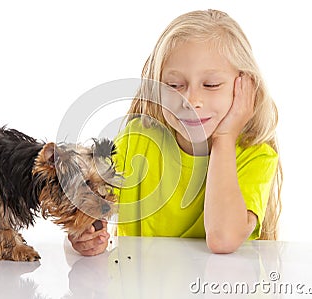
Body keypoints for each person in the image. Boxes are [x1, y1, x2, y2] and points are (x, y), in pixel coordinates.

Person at [68, 9, 282, 255]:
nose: (191, 100)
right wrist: (82, 234)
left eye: (211, 85)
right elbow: (85, 211)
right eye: (174, 85)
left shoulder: (256, 156)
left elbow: (223, 239)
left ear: (245, 87)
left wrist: (224, 139)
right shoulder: (137, 139)